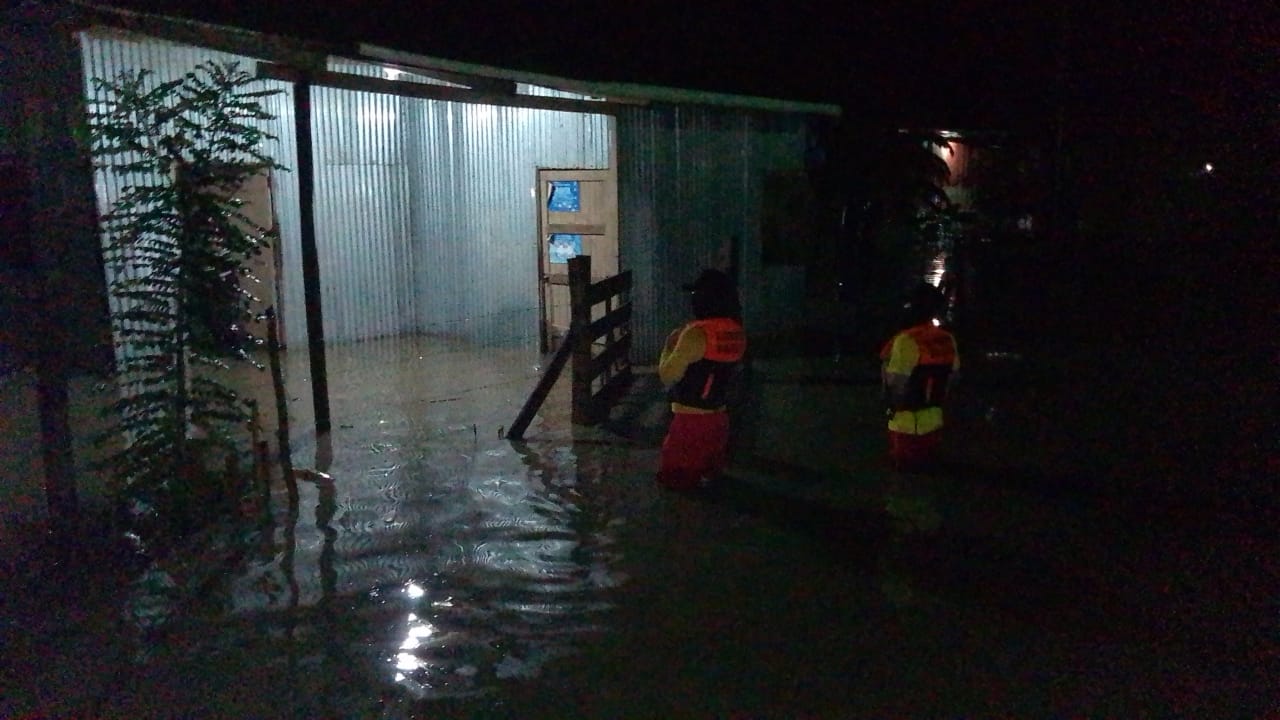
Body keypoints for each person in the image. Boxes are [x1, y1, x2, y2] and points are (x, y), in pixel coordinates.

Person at [656, 269, 747, 492]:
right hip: (720, 420)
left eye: (696, 293)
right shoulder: (737, 333)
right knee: (711, 482)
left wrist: (669, 346)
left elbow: (668, 375)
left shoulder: (696, 335)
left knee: (676, 485)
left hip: (691, 420)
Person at [879, 282, 959, 472]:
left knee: (904, 485)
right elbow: (952, 380)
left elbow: (896, 386)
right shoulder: (948, 338)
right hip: (935, 424)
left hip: (905, 428)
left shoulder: (906, 340)